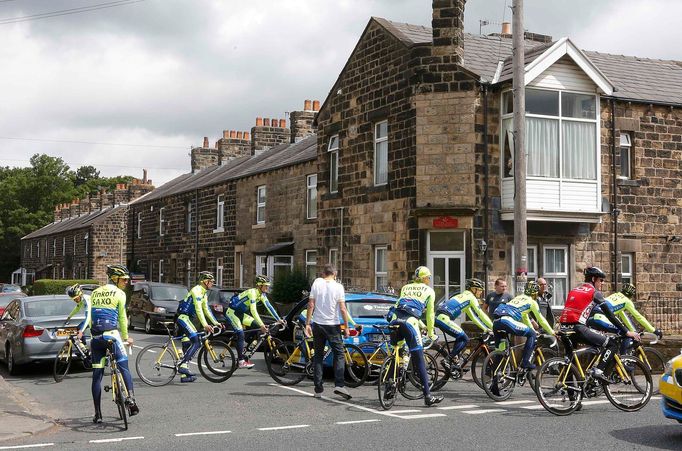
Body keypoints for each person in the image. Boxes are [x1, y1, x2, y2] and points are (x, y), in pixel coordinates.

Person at [559, 267, 640, 382]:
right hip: (578, 328)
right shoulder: (594, 293)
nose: (602, 283)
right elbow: (610, 315)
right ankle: (599, 370)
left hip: (564, 328)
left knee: (570, 362)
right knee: (611, 344)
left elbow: (583, 312)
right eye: (601, 280)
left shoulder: (574, 290)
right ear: (593, 279)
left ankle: (573, 397)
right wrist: (626, 331)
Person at [88, 264, 138, 423]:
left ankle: (98, 414)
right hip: (112, 335)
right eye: (124, 279)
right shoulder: (120, 293)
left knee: (97, 376)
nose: (126, 282)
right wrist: (126, 337)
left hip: (95, 338)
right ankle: (131, 399)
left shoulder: (95, 293)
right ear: (115, 279)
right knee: (123, 365)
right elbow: (123, 318)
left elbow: (91, 317)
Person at [387, 266, 443, 407]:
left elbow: (401, 307)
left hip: (395, 320)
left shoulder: (406, 288)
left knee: (396, 353)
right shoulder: (429, 291)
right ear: (424, 278)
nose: (429, 280)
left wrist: (421, 326)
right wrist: (430, 332)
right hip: (410, 323)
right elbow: (430, 314)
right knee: (419, 360)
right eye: (428, 277)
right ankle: (428, 396)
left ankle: (389, 385)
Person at [305, 264, 352, 400]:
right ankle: (339, 384)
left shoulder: (317, 283)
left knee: (318, 356)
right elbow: (343, 309)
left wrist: (308, 323)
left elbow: (311, 304)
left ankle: (318, 389)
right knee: (339, 354)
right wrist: (347, 326)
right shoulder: (338, 287)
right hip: (333, 325)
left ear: (323, 273)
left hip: (318, 324)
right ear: (335, 274)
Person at [492, 281, 556, 370]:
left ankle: (494, 379)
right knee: (532, 335)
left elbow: (525, 317)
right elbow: (541, 320)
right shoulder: (532, 302)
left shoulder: (518, 298)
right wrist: (552, 332)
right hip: (507, 321)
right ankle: (525, 362)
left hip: (496, 322)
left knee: (500, 351)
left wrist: (532, 329)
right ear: (535, 293)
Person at [587, 282, 663, 352]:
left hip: (590, 318)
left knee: (600, 344)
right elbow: (638, 317)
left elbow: (623, 317)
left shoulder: (615, 295)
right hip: (601, 318)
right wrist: (653, 330)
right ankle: (624, 359)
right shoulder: (627, 301)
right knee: (627, 335)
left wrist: (633, 330)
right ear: (631, 295)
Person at [435, 278, 492, 370]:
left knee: (460, 337)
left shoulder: (462, 296)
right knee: (464, 338)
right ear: (473, 289)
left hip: (440, 318)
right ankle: (448, 359)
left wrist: (485, 329)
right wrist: (493, 327)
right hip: (444, 318)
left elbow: (474, 317)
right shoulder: (471, 298)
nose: (480, 293)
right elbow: (480, 314)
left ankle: (454, 363)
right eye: (480, 290)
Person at [227, 274, 283, 369]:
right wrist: (262, 324)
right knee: (241, 333)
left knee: (256, 327)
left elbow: (269, 306)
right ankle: (240, 361)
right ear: (259, 285)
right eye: (266, 286)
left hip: (241, 314)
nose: (267, 287)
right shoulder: (252, 293)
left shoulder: (261, 294)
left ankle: (244, 345)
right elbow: (253, 311)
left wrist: (279, 319)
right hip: (232, 313)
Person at [176, 271, 221, 382]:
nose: (212, 284)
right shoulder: (196, 290)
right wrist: (205, 325)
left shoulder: (204, 293)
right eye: (211, 282)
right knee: (196, 341)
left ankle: (184, 375)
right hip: (183, 317)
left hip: (188, 319)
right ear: (205, 282)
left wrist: (215, 322)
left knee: (188, 344)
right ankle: (183, 365)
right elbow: (198, 309)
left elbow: (206, 309)